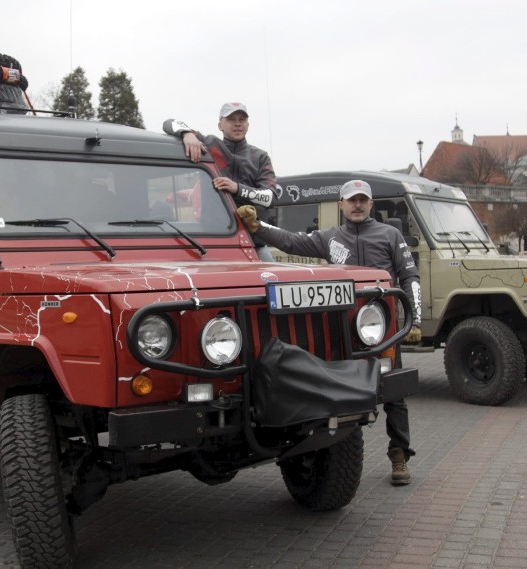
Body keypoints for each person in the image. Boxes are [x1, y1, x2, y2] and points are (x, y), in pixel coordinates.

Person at [237, 179, 422, 486]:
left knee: (394, 394)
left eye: (363, 200)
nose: (358, 205)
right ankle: (334, 456)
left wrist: (414, 321)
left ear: (371, 204)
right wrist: (258, 227)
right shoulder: (329, 237)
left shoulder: (390, 234)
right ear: (341, 205)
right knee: (339, 389)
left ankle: (399, 454)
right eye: (352, 200)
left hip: (380, 331)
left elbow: (409, 275)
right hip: (341, 332)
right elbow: (291, 241)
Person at [163, 102, 277, 261]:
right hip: (215, 242)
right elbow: (169, 123)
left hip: (254, 244)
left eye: (242, 119)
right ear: (220, 125)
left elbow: (271, 197)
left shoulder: (260, 157)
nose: (237, 123)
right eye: (231, 119)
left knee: (271, 280)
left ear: (248, 125)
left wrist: (237, 188)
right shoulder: (208, 145)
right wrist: (187, 134)